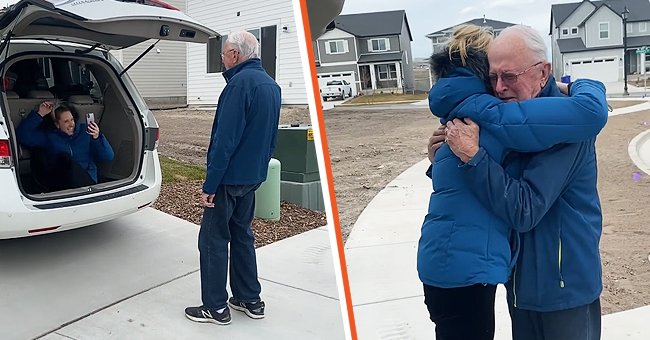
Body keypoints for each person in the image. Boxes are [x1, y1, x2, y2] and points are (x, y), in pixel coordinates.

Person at [417, 24, 608, 340]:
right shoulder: (507, 123)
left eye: (510, 76)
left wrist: (474, 157)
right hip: (520, 284)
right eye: (493, 78)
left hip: (563, 286)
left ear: (542, 72)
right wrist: (441, 160)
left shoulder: (566, 129)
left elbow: (524, 208)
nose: (500, 87)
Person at [184, 31, 281, 325]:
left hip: (228, 179)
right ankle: (249, 298)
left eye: (224, 53)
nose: (222, 58)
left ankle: (215, 307)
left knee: (213, 240)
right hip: (252, 177)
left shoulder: (238, 85)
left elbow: (224, 141)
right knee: (242, 236)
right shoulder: (271, 86)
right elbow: (270, 139)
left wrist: (210, 184)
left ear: (236, 55)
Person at [16, 101, 114, 190]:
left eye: (72, 120)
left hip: (87, 182)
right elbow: (22, 136)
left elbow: (108, 157)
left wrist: (97, 137)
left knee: (66, 160)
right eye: (66, 122)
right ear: (57, 124)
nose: (71, 124)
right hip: (63, 184)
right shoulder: (50, 136)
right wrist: (40, 114)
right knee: (63, 159)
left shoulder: (86, 131)